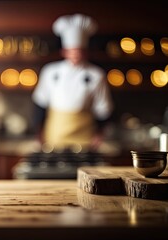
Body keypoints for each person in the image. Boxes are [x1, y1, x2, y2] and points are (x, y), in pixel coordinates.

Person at [32, 13, 114, 151]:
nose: (75, 55)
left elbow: (104, 109)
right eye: (71, 51)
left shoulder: (96, 74)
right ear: (64, 52)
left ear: (85, 52)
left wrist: (100, 134)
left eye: (79, 51)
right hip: (54, 135)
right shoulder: (50, 71)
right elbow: (40, 103)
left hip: (84, 136)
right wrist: (38, 133)